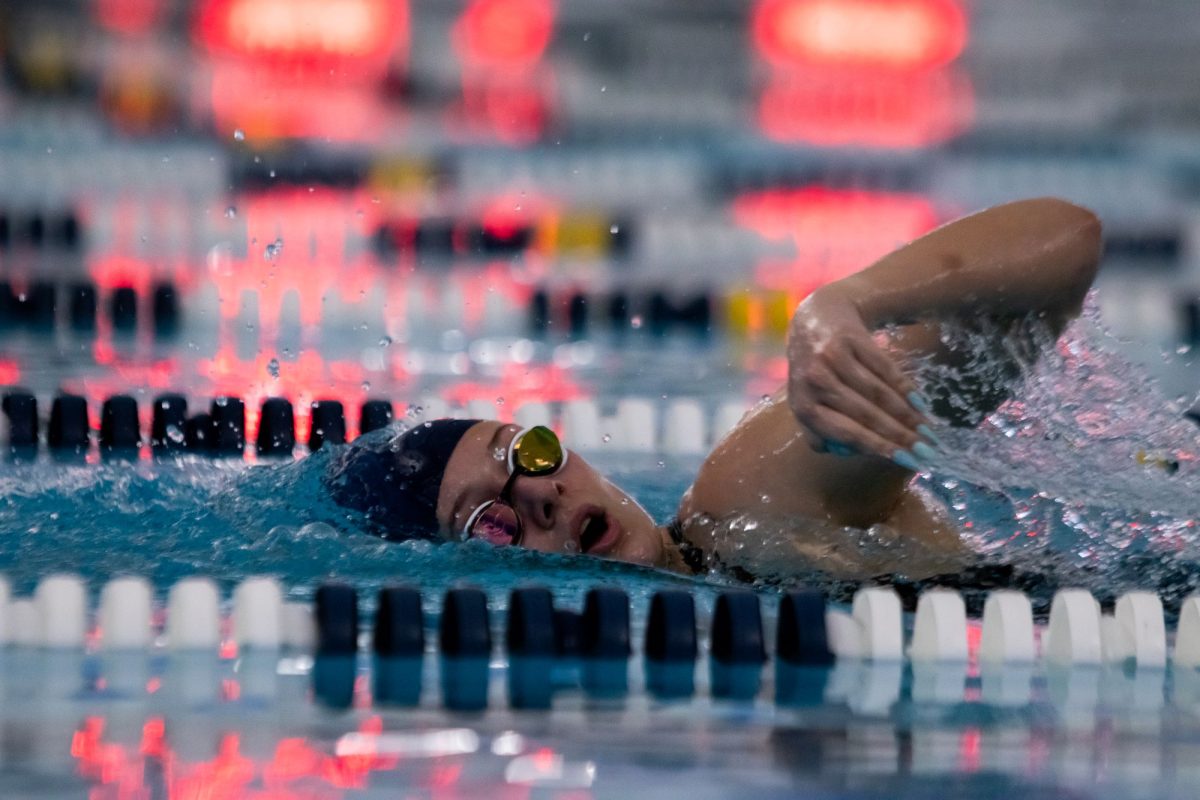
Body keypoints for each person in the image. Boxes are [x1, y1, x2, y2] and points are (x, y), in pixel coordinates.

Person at [326, 197, 1103, 585]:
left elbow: (1067, 242)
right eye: (492, 524)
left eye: (528, 452)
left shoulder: (751, 503)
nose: (541, 498)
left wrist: (846, 302)